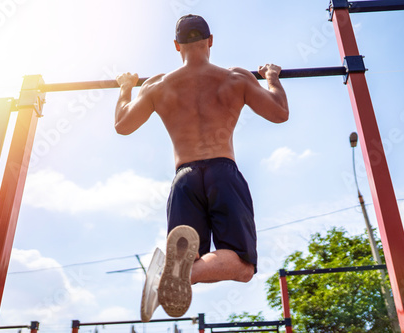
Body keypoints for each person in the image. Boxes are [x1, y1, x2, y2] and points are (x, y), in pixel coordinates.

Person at [115, 14, 289, 322]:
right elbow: (279, 113)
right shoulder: (235, 78)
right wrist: (272, 78)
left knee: (190, 250)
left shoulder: (158, 85)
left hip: (184, 179)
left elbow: (123, 124)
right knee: (243, 265)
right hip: (223, 173)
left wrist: (126, 87)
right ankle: (186, 275)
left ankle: (176, 271)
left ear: (176, 46)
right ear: (210, 41)